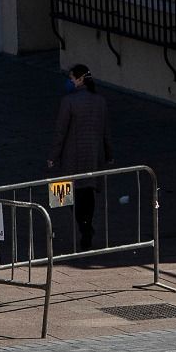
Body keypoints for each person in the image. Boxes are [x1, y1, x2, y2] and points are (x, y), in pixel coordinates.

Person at [47, 64, 111, 250]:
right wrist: (109, 154)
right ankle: (86, 226)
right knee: (88, 192)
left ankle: (83, 226)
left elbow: (60, 132)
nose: (70, 81)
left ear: (80, 79)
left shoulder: (68, 101)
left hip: (71, 157)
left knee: (67, 195)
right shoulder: (100, 101)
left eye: (72, 78)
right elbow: (106, 131)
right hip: (93, 155)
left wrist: (53, 156)